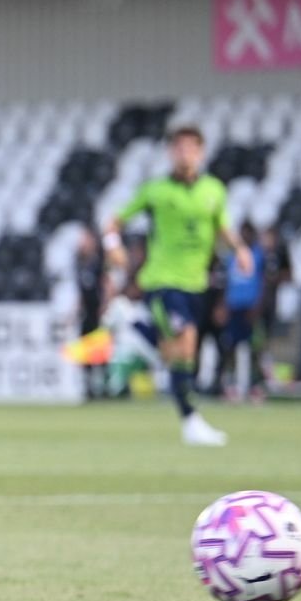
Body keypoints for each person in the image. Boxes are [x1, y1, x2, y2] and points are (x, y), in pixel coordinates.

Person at [105, 125, 253, 446]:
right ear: (171, 153)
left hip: (195, 284)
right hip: (162, 280)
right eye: (178, 148)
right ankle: (191, 421)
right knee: (185, 340)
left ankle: (133, 324)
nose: (184, 154)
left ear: (201, 152)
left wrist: (240, 250)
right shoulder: (155, 190)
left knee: (177, 355)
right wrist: (112, 244)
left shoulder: (214, 190)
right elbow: (115, 221)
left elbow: (223, 227)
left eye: (190, 148)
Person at [219, 222, 267, 402]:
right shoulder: (232, 256)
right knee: (229, 346)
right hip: (234, 306)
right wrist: (223, 305)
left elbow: (262, 283)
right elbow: (228, 282)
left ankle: (256, 385)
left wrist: (258, 305)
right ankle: (230, 385)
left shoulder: (257, 255)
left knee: (255, 348)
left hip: (250, 307)